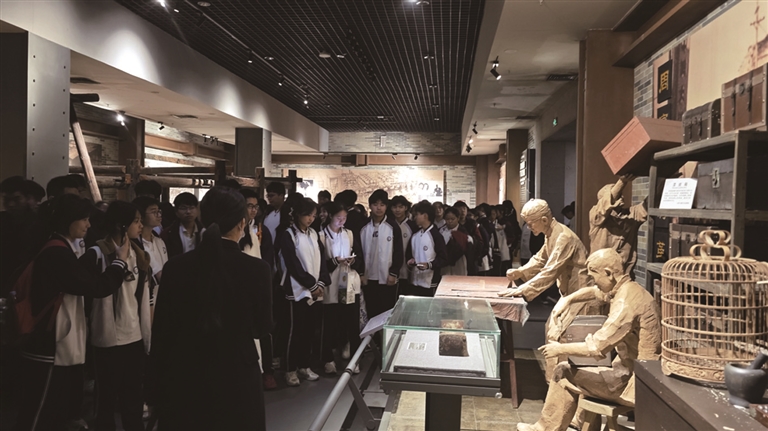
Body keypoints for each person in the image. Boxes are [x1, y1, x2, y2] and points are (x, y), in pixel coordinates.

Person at [151, 186, 273, 431]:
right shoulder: (257, 269)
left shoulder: (176, 267)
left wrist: (154, 387)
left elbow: (162, 330)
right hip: (238, 372)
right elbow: (262, 328)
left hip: (186, 371)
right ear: (242, 223)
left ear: (202, 218)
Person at [14, 194, 127, 431]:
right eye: (84, 219)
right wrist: (119, 263)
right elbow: (95, 287)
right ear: (68, 220)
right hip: (48, 341)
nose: (88, 225)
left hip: (51, 341)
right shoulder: (57, 253)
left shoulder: (58, 247)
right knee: (39, 410)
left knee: (47, 408)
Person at [517, 248, 661, 431]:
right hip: (634, 372)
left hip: (635, 383)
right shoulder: (629, 289)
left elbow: (596, 348)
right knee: (586, 371)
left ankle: (543, 429)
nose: (594, 282)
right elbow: (595, 292)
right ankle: (583, 423)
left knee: (563, 372)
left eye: (595, 276)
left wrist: (559, 349)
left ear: (608, 273)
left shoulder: (625, 303)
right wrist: (568, 299)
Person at [498, 199, 594, 380]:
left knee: (560, 334)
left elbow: (551, 270)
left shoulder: (564, 237)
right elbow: (541, 258)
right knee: (554, 329)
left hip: (581, 295)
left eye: (530, 223)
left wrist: (523, 289)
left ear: (543, 220)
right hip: (569, 294)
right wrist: (521, 271)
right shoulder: (551, 234)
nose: (528, 227)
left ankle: (564, 380)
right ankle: (556, 378)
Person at [82, 201, 151, 431]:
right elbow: (88, 297)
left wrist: (146, 335)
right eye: (136, 221)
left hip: (134, 335)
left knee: (133, 397)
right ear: (121, 225)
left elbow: (141, 297)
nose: (140, 225)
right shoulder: (96, 254)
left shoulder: (139, 256)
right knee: (106, 398)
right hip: (106, 337)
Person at [278, 197, 331, 386]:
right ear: (298, 215)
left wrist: (322, 282)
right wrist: (311, 284)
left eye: (313, 215)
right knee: (295, 331)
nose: (311, 219)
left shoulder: (314, 234)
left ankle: (304, 365)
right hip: (297, 290)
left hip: (315, 290)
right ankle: (290, 369)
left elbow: (321, 259)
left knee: (309, 330)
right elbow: (293, 264)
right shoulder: (289, 235)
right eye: (307, 215)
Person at [318, 202, 365, 375]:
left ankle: (355, 360)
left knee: (352, 324)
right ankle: (328, 359)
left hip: (350, 283)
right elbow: (320, 264)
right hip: (331, 284)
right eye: (338, 217)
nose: (342, 221)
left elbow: (359, 256)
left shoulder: (349, 234)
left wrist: (353, 260)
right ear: (330, 216)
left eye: (344, 218)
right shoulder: (322, 236)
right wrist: (334, 261)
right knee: (330, 324)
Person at [238, 188, 277, 390]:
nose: (253, 210)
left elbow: (264, 261)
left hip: (256, 288)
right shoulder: (235, 231)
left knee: (262, 332)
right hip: (240, 291)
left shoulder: (258, 231)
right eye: (249, 206)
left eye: (255, 206)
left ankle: (265, 372)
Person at [589, 175, 647, 277]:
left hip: (624, 276)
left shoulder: (631, 214)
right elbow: (605, 205)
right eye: (618, 194)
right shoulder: (596, 217)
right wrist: (622, 182)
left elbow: (648, 205)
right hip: (600, 276)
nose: (621, 197)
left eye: (621, 194)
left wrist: (664, 180)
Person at [359, 190, 403, 320]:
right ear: (370, 206)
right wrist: (361, 273)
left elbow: (398, 251)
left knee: (386, 312)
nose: (379, 208)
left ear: (386, 206)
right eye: (375, 204)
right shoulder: (363, 226)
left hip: (387, 277)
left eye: (382, 205)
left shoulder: (393, 226)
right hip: (368, 278)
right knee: (370, 311)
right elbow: (358, 251)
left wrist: (394, 273)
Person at [405, 201, 448, 297]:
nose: (415, 217)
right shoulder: (415, 235)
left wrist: (429, 265)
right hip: (414, 281)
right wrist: (410, 261)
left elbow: (443, 258)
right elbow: (409, 254)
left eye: (417, 215)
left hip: (430, 282)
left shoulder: (436, 235)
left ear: (425, 216)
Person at [161, 192, 203, 258]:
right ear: (176, 211)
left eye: (192, 208)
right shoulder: (168, 233)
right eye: (183, 208)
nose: (188, 212)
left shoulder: (204, 231)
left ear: (197, 210)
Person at [390, 195, 417, 295]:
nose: (397, 210)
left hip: (408, 268)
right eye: (394, 207)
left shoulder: (412, 226)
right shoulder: (389, 225)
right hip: (391, 269)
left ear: (406, 208)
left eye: (400, 207)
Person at [439, 207, 472, 276]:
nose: (450, 221)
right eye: (447, 219)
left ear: (458, 218)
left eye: (452, 219)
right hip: (444, 263)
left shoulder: (463, 231)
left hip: (459, 262)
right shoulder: (441, 231)